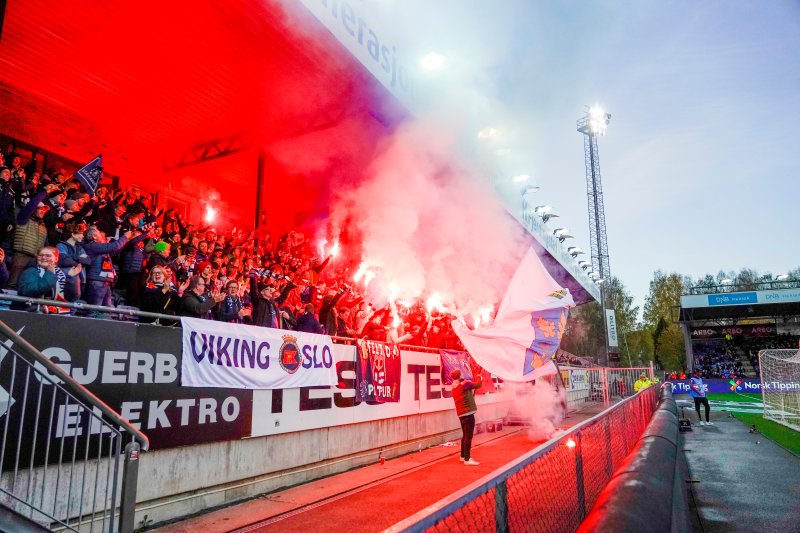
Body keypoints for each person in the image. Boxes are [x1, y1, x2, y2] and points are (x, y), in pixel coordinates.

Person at [450, 368, 482, 466]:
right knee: (468, 437)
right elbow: (478, 385)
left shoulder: (454, 387)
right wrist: (479, 377)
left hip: (461, 414)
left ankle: (463, 456)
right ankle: (467, 459)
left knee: (465, 436)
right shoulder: (464, 384)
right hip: (468, 413)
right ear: (460, 376)